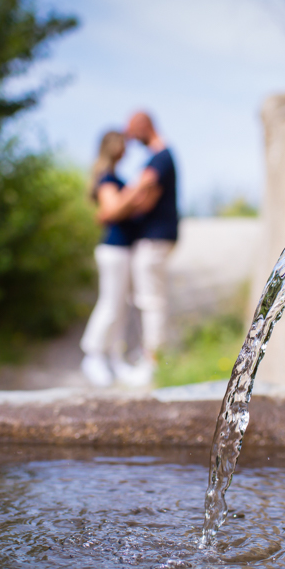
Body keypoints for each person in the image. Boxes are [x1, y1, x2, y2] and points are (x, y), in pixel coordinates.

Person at [122, 111, 179, 385]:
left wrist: (112, 208)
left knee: (151, 299)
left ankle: (151, 362)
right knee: (148, 297)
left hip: (156, 237)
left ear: (144, 127)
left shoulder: (161, 157)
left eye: (133, 132)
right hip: (154, 237)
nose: (132, 139)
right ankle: (148, 355)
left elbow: (140, 189)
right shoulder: (160, 158)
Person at [79, 131, 139, 387]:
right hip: (113, 249)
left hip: (123, 248)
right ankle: (93, 355)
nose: (126, 148)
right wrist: (138, 192)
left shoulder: (114, 177)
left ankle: (116, 359)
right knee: (110, 304)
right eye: (123, 144)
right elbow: (111, 209)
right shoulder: (107, 178)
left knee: (121, 306)